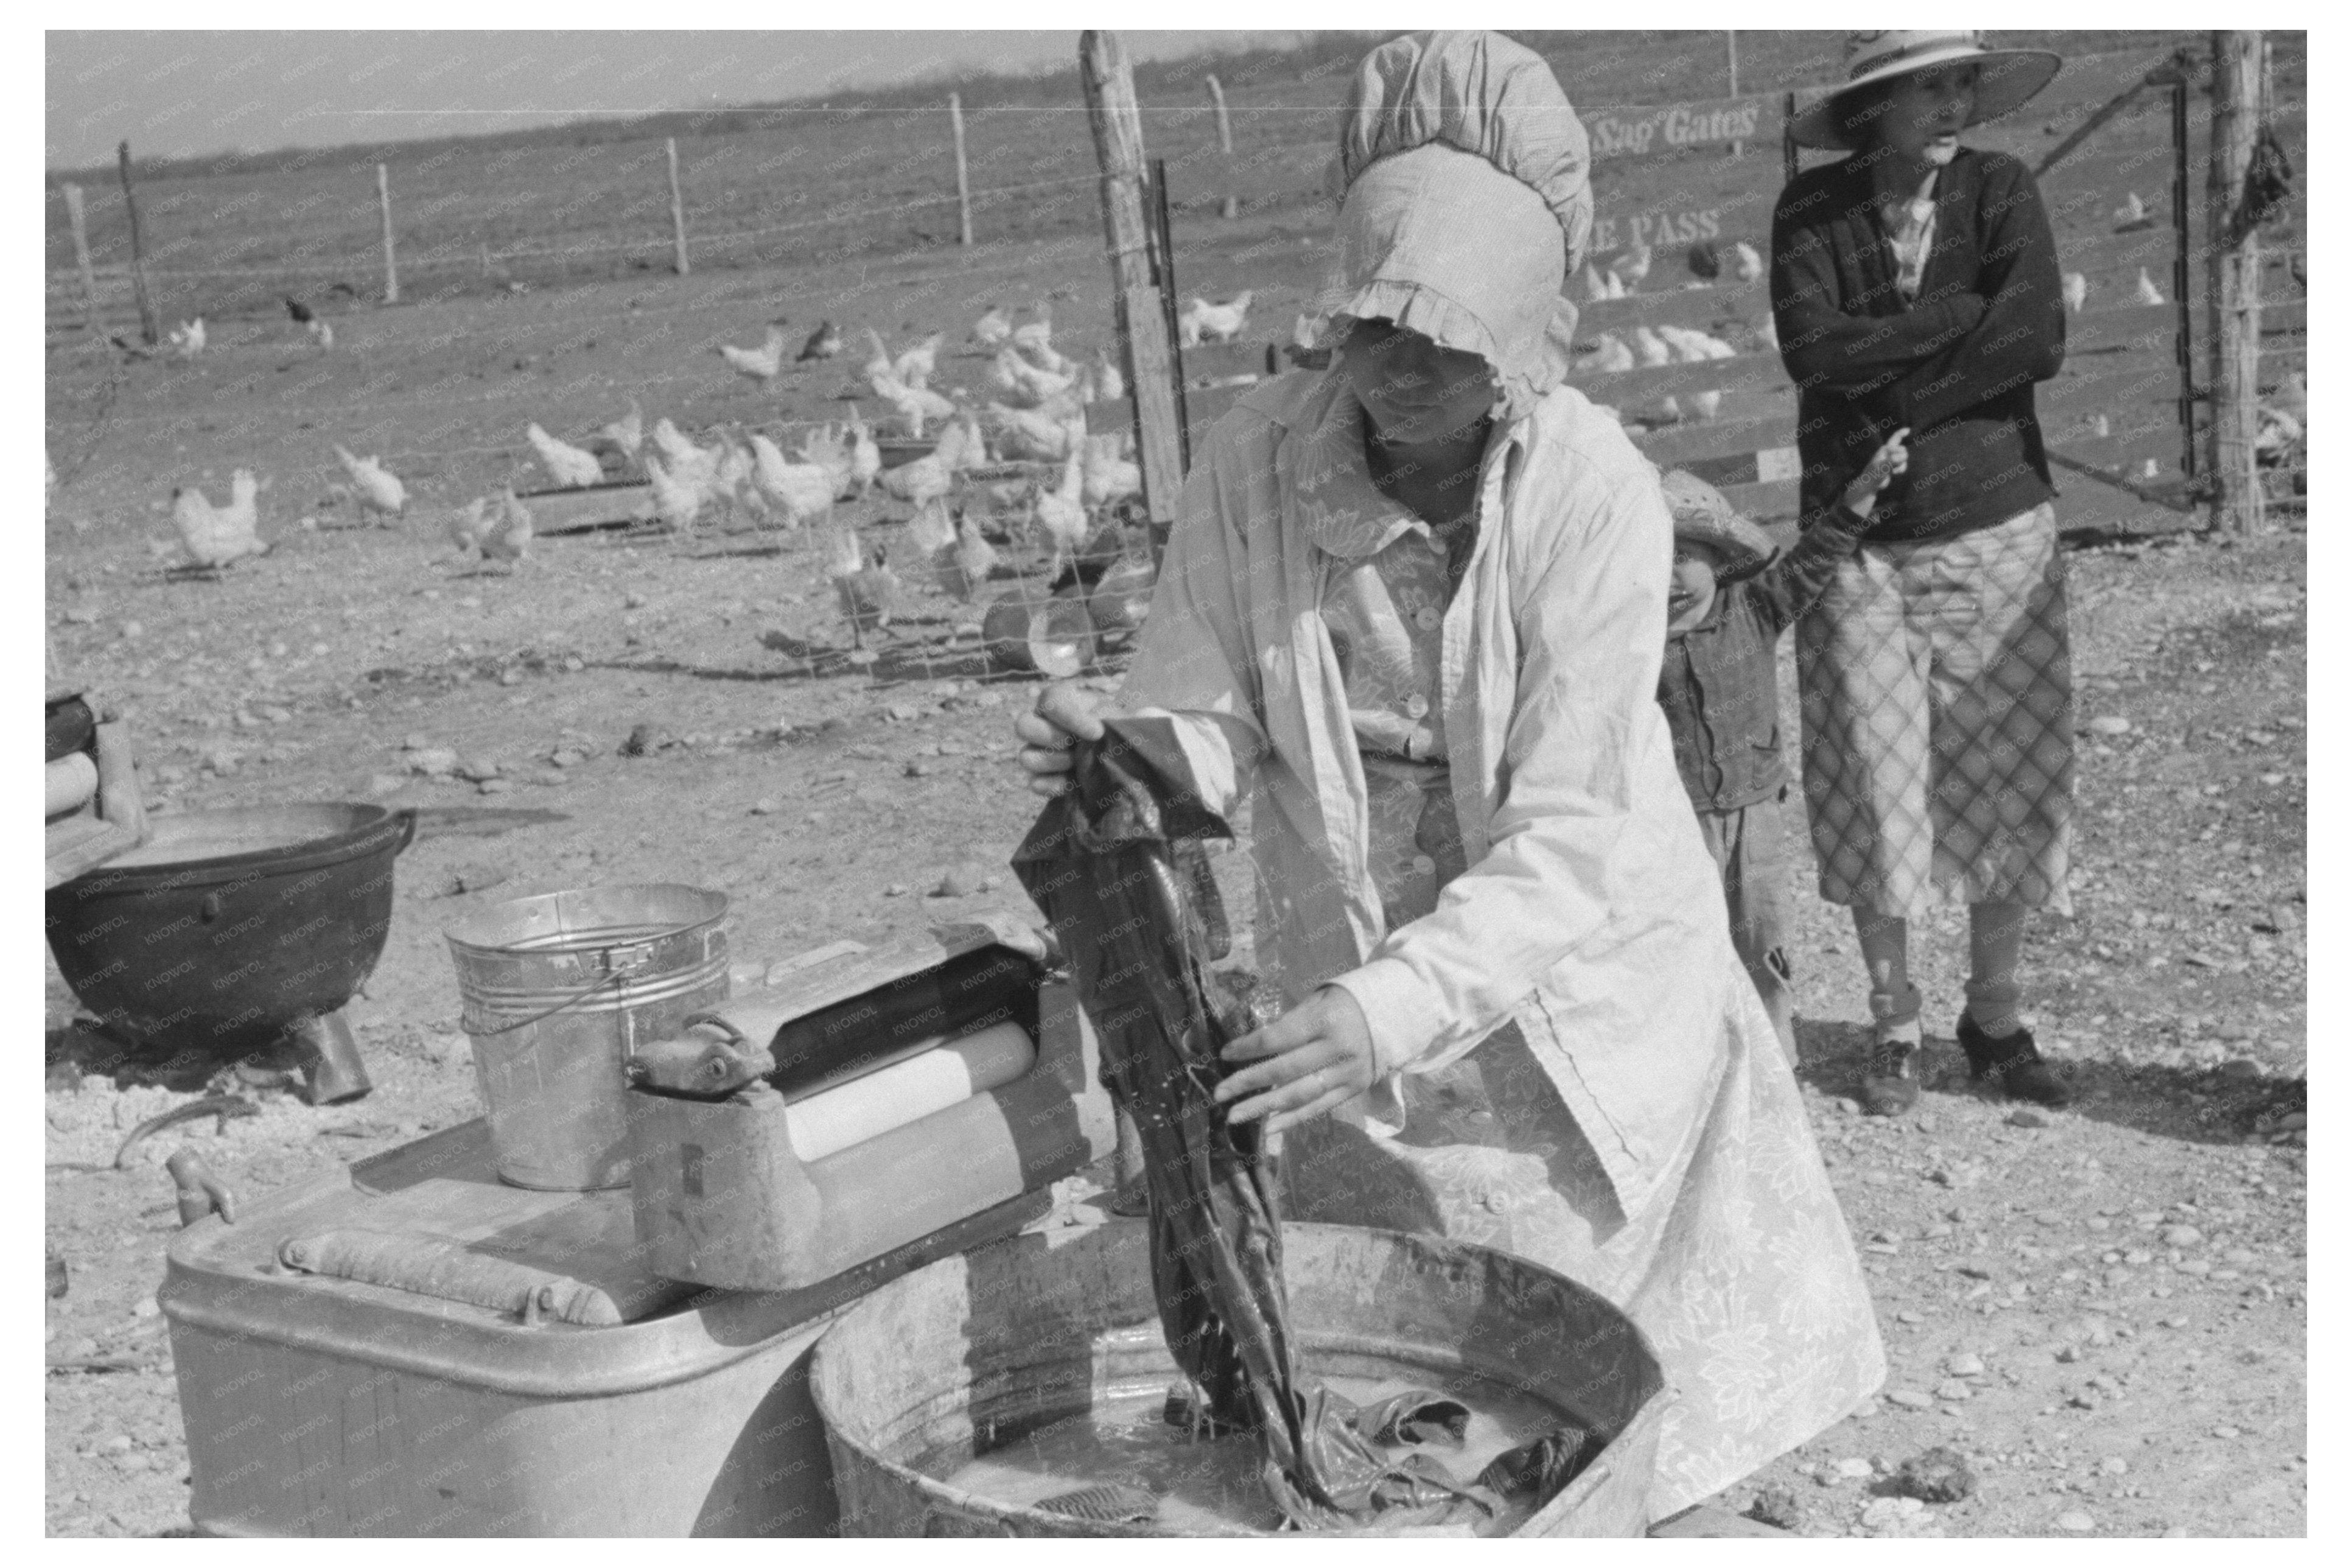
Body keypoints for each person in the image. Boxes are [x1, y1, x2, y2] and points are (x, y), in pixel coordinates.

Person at [1016, 30, 1883, 1526]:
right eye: (1383, 331)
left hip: (1572, 954)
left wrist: (1389, 1009)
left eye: (1457, 345)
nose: (1412, 373)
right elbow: (1208, 703)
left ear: (1523, 344)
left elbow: (1562, 835)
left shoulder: (1592, 496)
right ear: (1340, 312)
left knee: (1594, 1362)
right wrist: (1135, 750)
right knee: (1398, 1368)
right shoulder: (1252, 467)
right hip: (1354, 955)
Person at [1772, 30, 2076, 1117]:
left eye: (1960, 84)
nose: (1951, 104)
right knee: (1869, 779)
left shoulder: (1999, 191)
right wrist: (1957, 317)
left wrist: (1889, 378)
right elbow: (1813, 354)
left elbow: (2031, 339)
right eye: (1926, 88)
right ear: (1870, 108)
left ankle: (1991, 1019)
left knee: (2006, 773)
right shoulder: (1809, 214)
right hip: (1858, 546)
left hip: (1995, 527)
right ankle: (1891, 1021)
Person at [1653, 429, 1909, 1063]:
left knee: (1763, 935)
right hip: (1671, 823)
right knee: (1682, 940)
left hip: (1756, 812)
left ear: (1718, 559)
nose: (1672, 577)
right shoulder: (1626, 641)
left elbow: (1813, 561)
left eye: (1687, 555)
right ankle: (1700, 1063)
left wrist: (1859, 495)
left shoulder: (1756, 608)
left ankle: (1777, 1055)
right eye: (1653, 557)